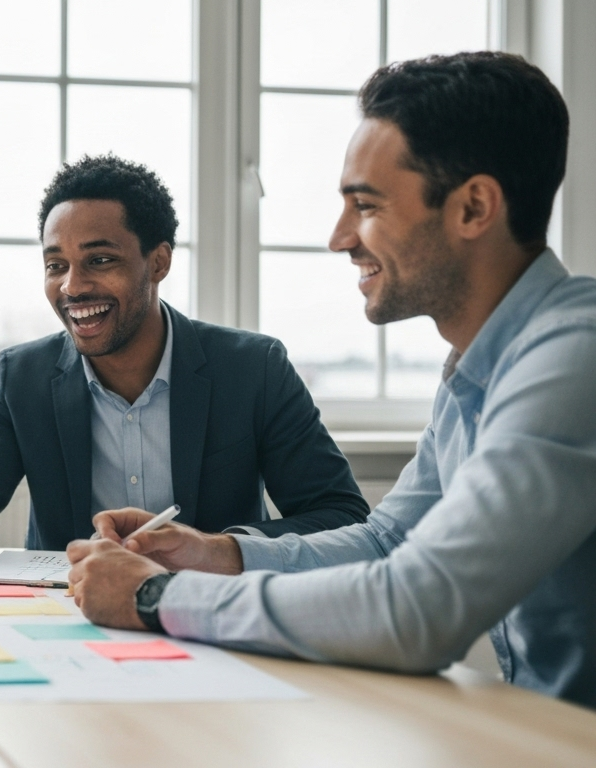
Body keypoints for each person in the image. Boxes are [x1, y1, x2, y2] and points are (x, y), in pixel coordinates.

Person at [67, 52, 596, 709]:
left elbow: (417, 610)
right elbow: (387, 541)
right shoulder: (479, 367)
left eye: (365, 205)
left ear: (473, 207)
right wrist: (214, 554)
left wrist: (157, 596)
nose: (339, 238)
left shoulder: (575, 357)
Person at [0, 155, 368, 557]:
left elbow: (341, 516)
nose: (72, 286)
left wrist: (216, 551)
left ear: (158, 262)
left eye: (99, 259)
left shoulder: (253, 369)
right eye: (56, 265)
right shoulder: (21, 379)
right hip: (70, 621)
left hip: (211, 614)